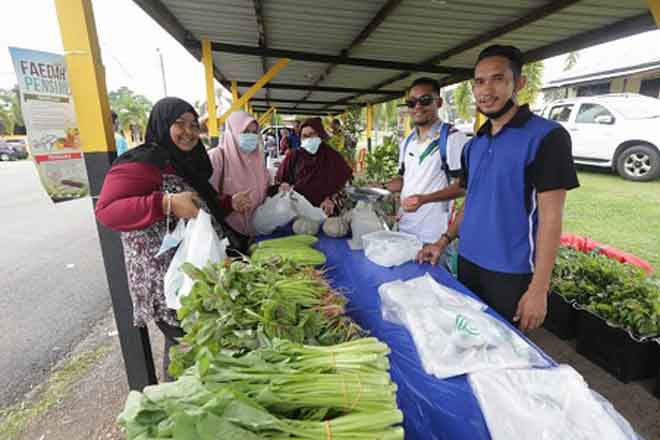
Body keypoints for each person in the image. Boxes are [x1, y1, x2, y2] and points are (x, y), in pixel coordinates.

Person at [417, 45, 579, 332]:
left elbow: (552, 219)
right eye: (479, 82)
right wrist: (443, 242)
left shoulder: (547, 137)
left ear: (518, 83)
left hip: (511, 273)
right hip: (467, 264)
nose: (486, 90)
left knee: (504, 352)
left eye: (497, 79)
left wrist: (539, 289)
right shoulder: (474, 144)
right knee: (466, 338)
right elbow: (471, 201)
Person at [95, 97, 251, 380]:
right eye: (179, 124)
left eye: (194, 124)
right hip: (163, 275)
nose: (189, 131)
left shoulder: (189, 162)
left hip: (193, 270)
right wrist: (164, 203)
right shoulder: (143, 161)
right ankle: (174, 401)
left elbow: (200, 202)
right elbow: (107, 211)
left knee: (195, 340)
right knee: (183, 344)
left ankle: (189, 394)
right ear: (162, 124)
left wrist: (229, 203)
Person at [382, 77, 470, 247]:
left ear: (439, 102)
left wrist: (424, 199)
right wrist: (381, 187)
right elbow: (404, 180)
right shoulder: (407, 142)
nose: (417, 107)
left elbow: (463, 186)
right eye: (411, 102)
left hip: (433, 237)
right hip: (404, 230)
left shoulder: (453, 138)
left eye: (425, 100)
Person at [208, 111, 270, 237]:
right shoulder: (217, 157)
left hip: (256, 231)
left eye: (254, 133)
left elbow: (264, 189)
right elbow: (203, 199)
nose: (251, 137)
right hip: (227, 234)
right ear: (231, 133)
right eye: (245, 132)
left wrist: (277, 189)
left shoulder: (258, 158)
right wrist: (229, 203)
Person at [275, 117, 352, 216]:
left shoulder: (333, 157)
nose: (308, 139)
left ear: (320, 135)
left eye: (312, 135)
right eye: (304, 136)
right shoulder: (293, 156)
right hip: (297, 212)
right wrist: (283, 185)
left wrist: (332, 199)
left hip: (326, 213)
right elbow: (280, 180)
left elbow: (346, 183)